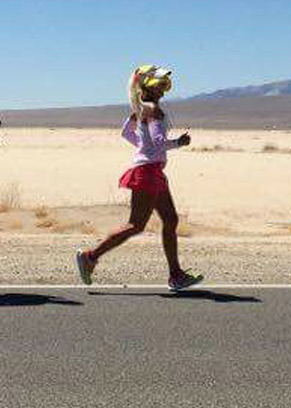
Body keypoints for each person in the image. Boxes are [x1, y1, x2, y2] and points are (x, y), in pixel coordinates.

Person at [76, 65, 204, 291]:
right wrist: (178, 143)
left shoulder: (141, 109)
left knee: (170, 220)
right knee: (136, 224)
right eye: (161, 84)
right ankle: (90, 256)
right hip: (148, 173)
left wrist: (144, 150)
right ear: (151, 85)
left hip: (151, 171)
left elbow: (127, 133)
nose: (164, 89)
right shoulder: (153, 109)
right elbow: (156, 142)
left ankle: (176, 275)